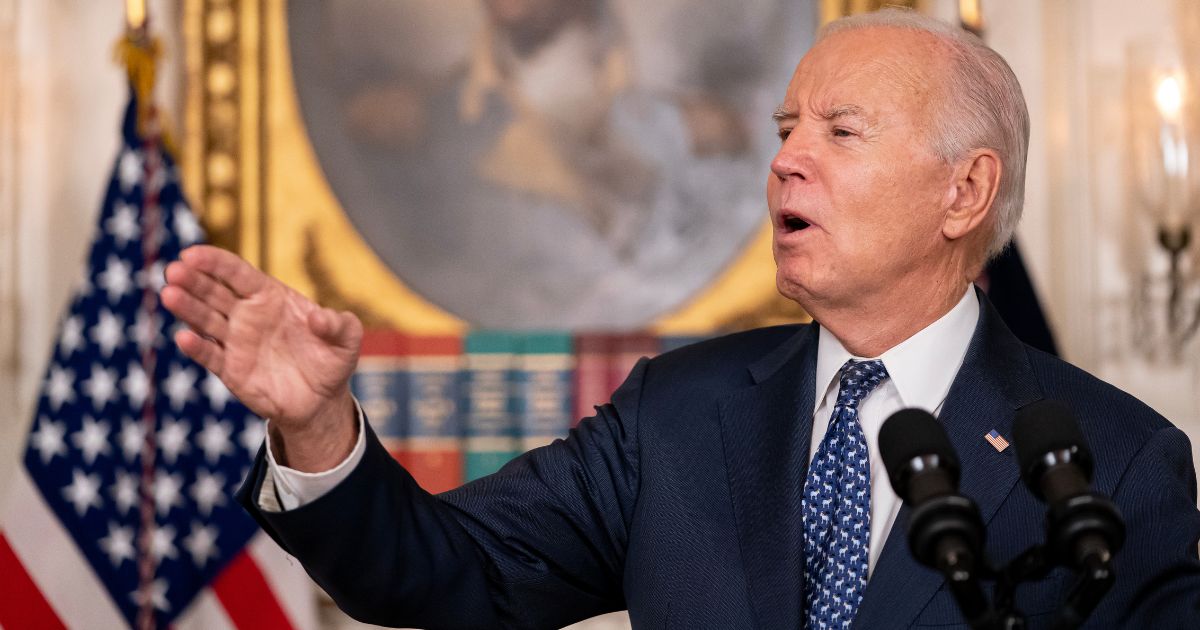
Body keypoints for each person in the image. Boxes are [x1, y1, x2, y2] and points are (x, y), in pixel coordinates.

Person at [161, 8, 1200, 629]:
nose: (788, 158)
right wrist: (317, 426)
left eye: (842, 131)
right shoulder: (678, 413)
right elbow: (446, 573)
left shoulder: (1116, 464)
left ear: (965, 194)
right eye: (788, 127)